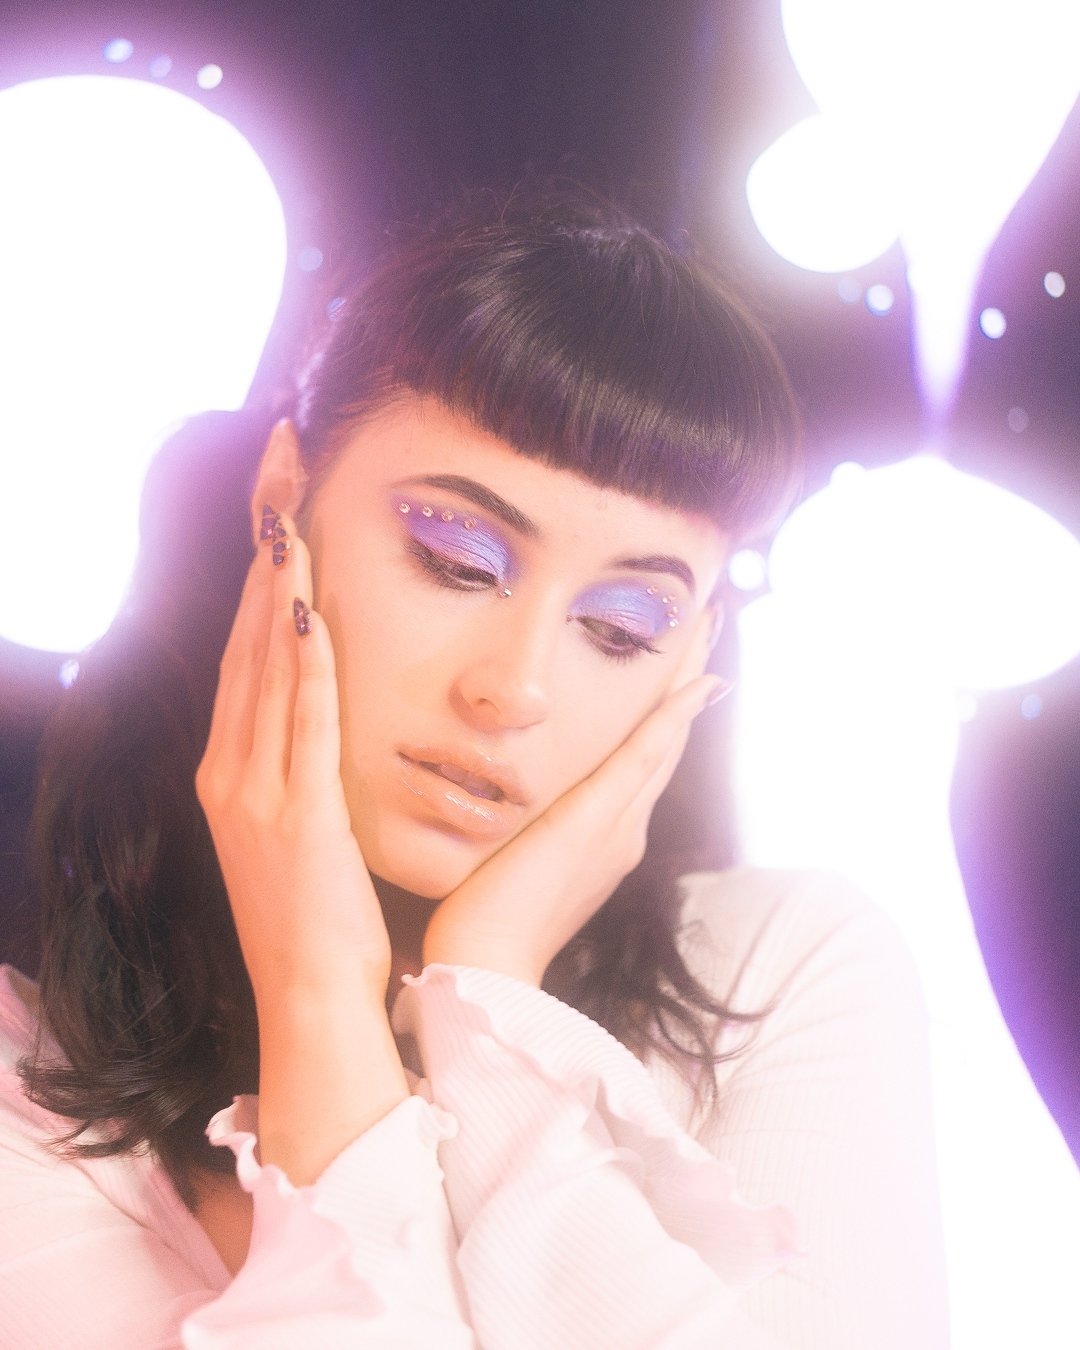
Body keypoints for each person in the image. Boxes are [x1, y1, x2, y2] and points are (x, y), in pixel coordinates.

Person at [0, 194, 948, 1347]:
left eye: (620, 627)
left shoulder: (785, 969)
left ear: (691, 656)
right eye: (456, 559)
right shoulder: (22, 1087)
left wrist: (487, 993)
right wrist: (316, 990)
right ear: (282, 498)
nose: (515, 688)